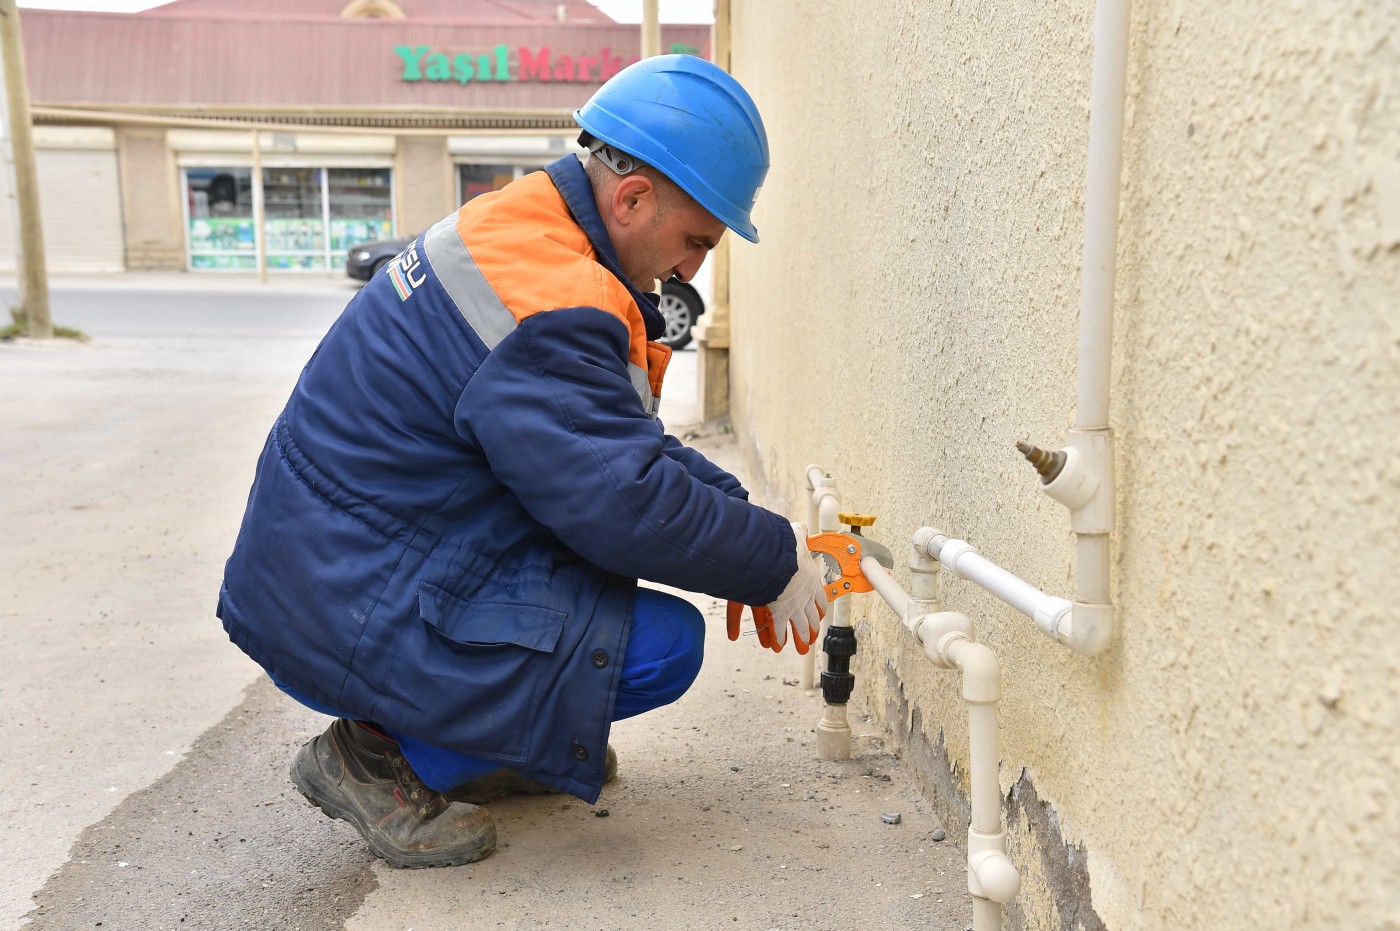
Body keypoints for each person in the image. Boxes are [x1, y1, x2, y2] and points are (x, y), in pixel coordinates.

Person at [216, 55, 827, 869]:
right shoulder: (552, 295)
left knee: (590, 601)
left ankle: (493, 742)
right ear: (634, 196)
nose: (692, 271)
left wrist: (753, 528)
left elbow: (621, 446)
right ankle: (373, 757)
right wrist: (772, 559)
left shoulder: (529, 227)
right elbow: (625, 504)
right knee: (657, 645)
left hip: (339, 564)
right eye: (694, 242)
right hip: (346, 604)